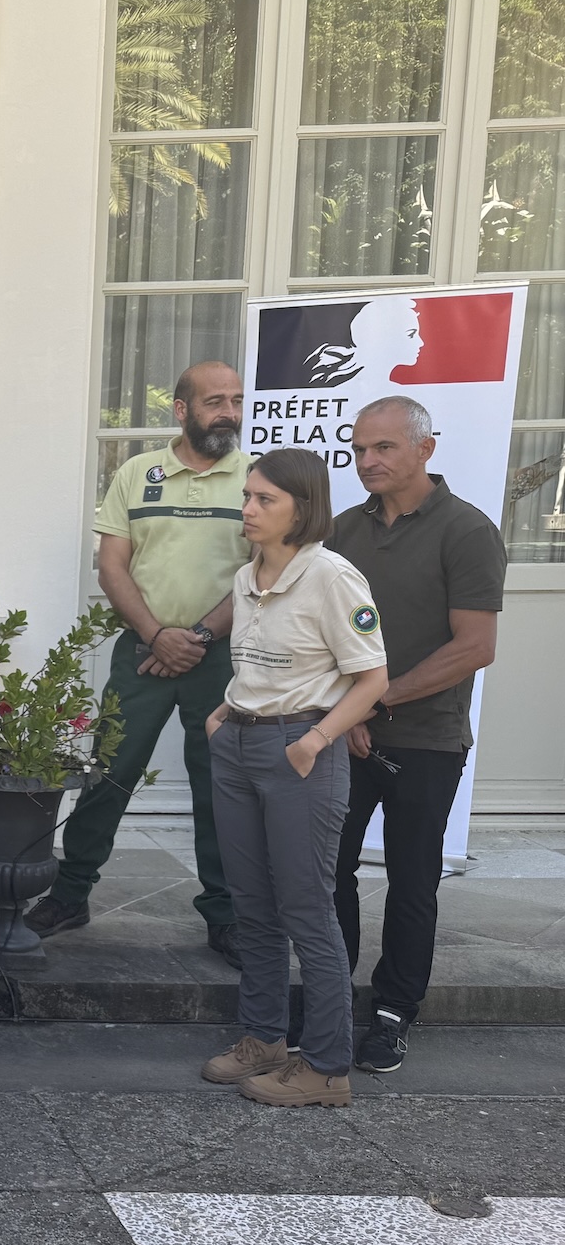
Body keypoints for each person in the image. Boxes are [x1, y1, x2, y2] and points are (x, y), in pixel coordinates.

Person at [26, 361, 250, 967]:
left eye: (234, 400)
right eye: (213, 402)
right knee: (109, 773)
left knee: (220, 787)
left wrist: (198, 636)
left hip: (222, 657)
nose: (227, 412)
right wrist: (156, 634)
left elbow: (264, 574)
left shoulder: (255, 477)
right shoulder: (136, 473)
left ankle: (225, 913)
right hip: (143, 653)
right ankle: (71, 894)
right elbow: (112, 567)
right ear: (181, 410)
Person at [201, 448, 387, 1108]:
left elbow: (373, 679)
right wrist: (225, 710)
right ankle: (264, 1039)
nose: (247, 509)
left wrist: (314, 739)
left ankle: (329, 1069)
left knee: (307, 910)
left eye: (264, 500)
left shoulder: (333, 577)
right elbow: (261, 665)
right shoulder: (246, 576)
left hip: (299, 753)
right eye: (247, 497)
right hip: (241, 746)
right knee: (250, 904)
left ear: (302, 509)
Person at [327, 397, 506, 1073]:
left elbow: (475, 646)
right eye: (358, 447)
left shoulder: (466, 531)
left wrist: (375, 703)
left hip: (426, 741)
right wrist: (344, 711)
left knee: (411, 881)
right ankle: (328, 997)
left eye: (383, 448)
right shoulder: (345, 531)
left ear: (425, 450)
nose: (366, 460)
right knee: (328, 873)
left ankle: (394, 1013)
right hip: (349, 734)